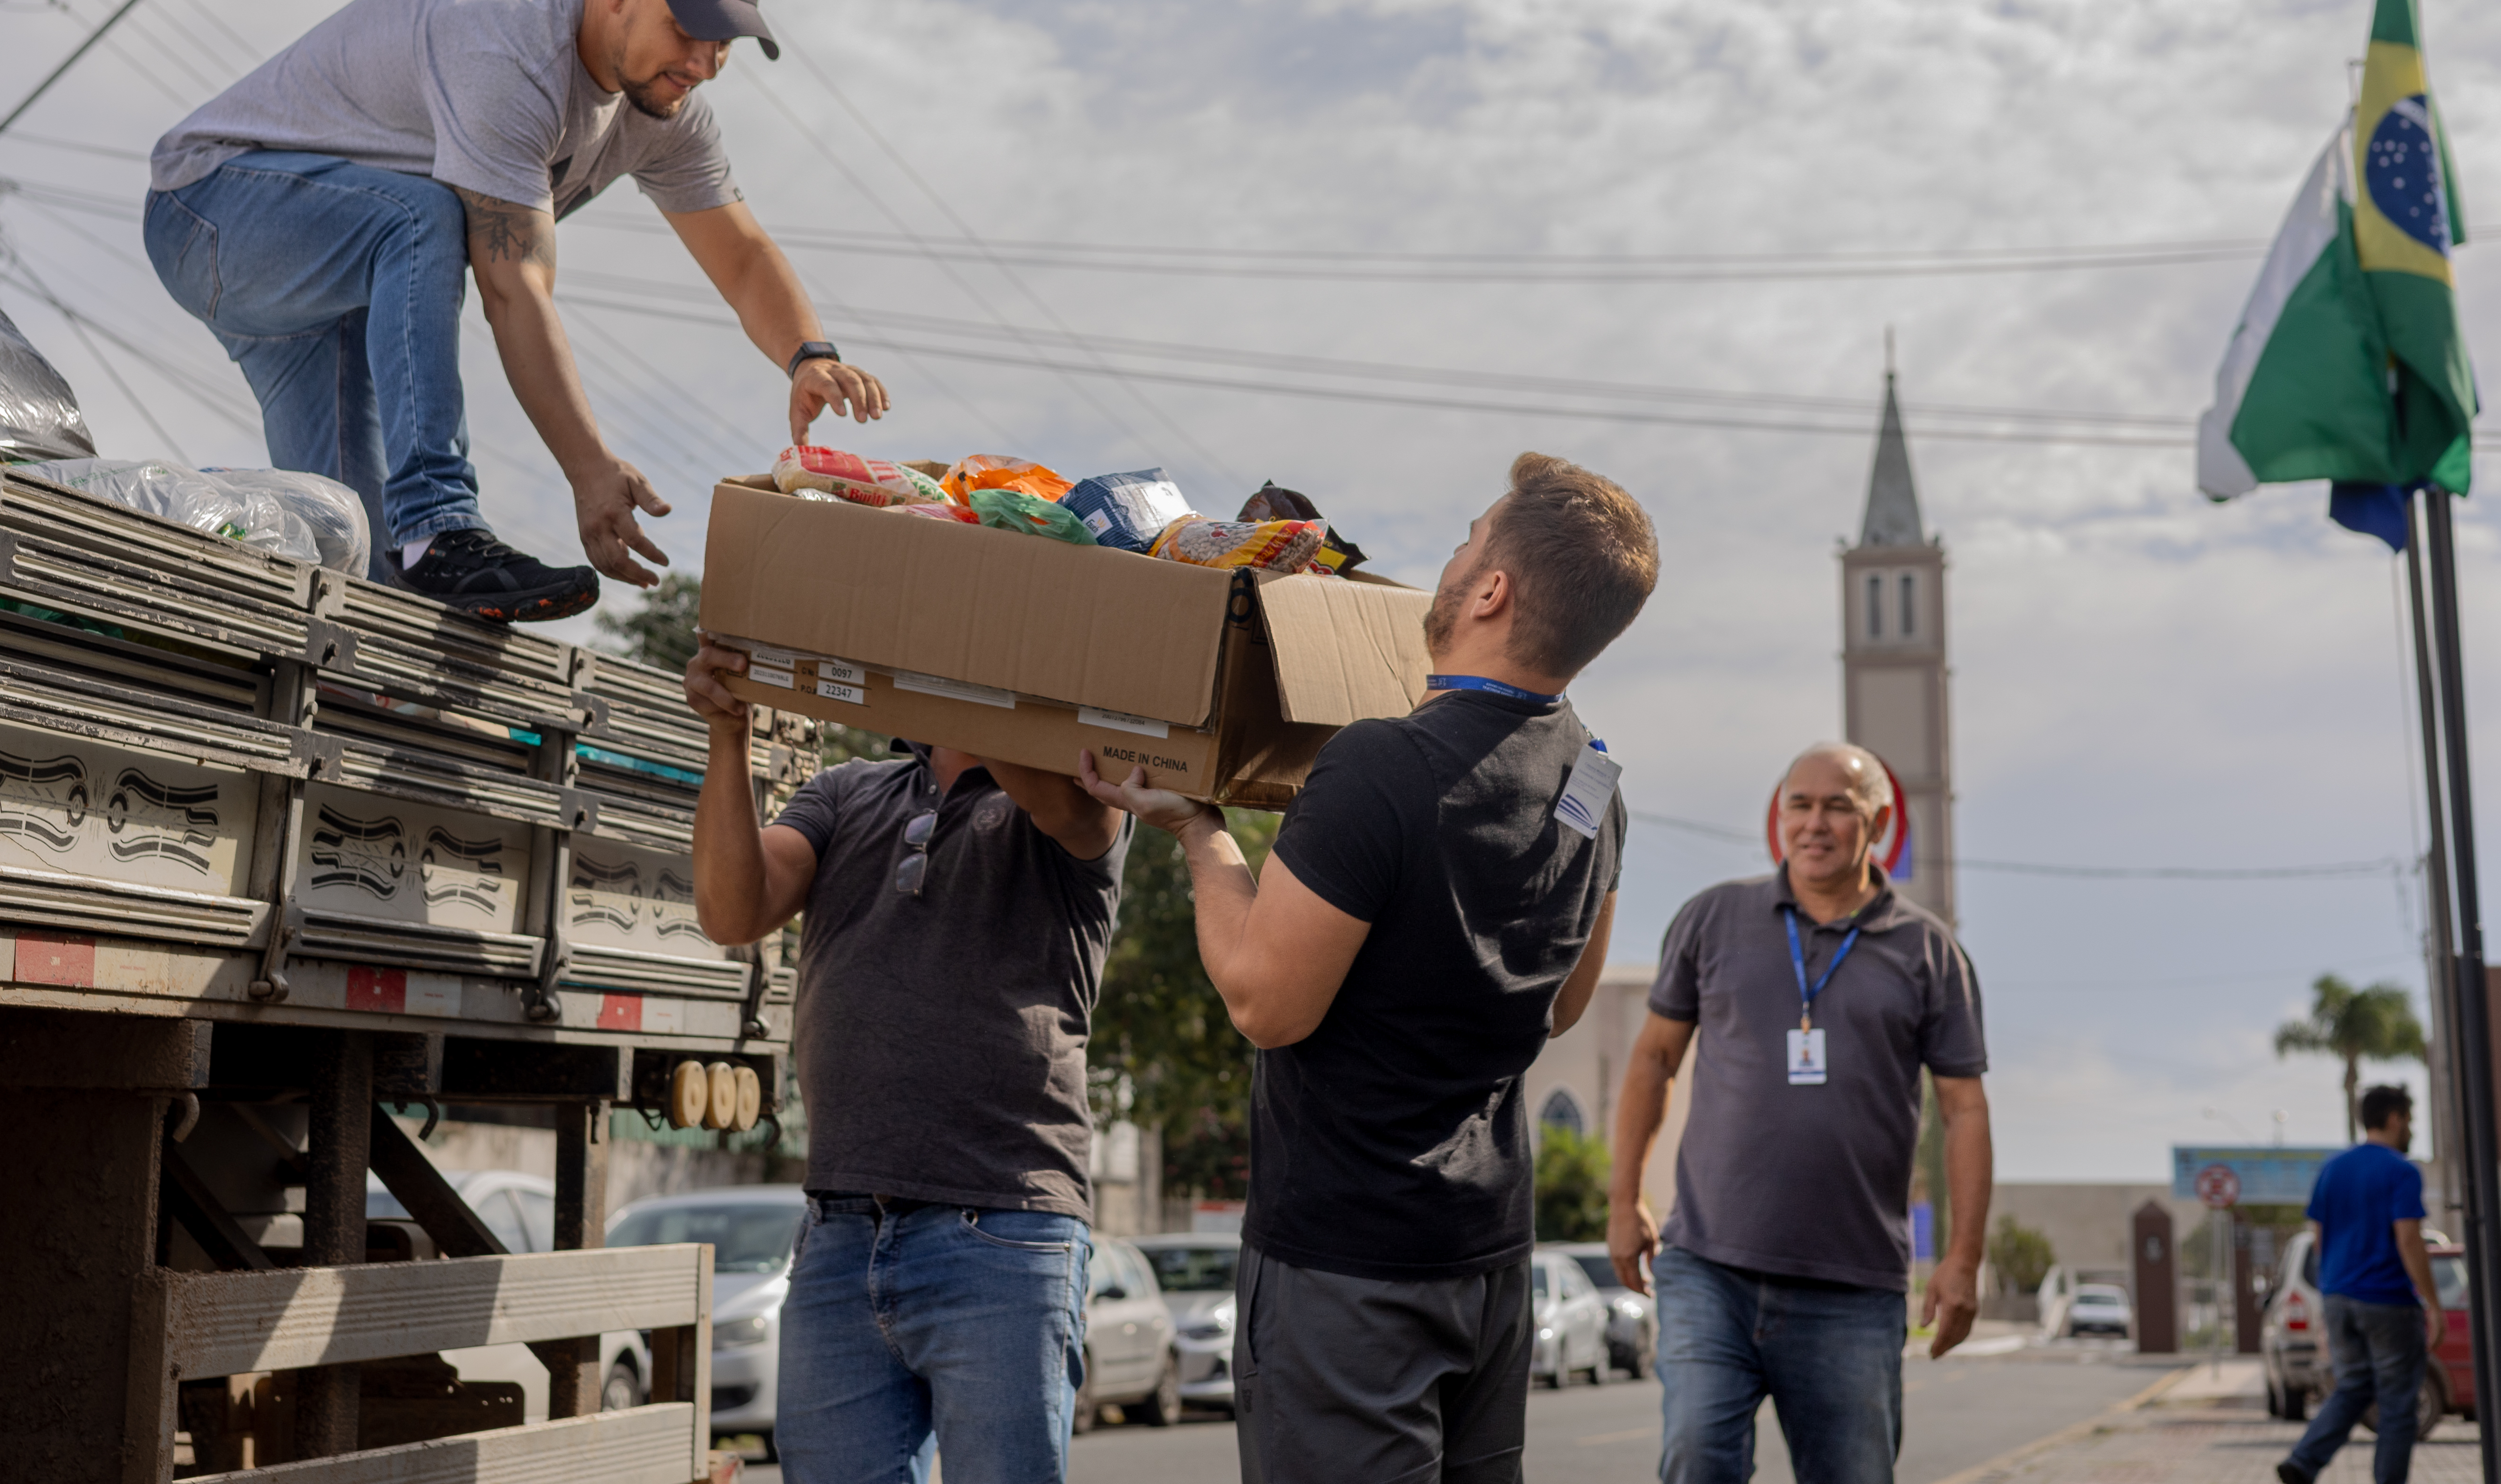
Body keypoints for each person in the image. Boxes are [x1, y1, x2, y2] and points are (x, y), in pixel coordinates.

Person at [1078, 451, 1662, 1483]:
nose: (1447, 559)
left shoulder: (1381, 763)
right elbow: (1565, 1004)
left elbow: (1263, 1001)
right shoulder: (1596, 784)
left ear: (1492, 590)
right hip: (1488, 1263)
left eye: (1465, 541)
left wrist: (1201, 836)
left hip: (1347, 1267)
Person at [146, 0, 888, 619]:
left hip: (322, 281)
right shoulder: (509, 52)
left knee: (361, 576)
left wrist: (807, 354)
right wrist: (591, 471)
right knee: (421, 218)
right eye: (687, 28)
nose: (704, 62)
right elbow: (515, 288)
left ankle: (377, 659)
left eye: (726, 39)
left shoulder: (665, 112)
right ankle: (440, 522)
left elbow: (743, 252)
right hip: (212, 208)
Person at [679, 636, 1129, 1484]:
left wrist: (955, 662)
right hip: (842, 1229)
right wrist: (727, 735)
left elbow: (1066, 804)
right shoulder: (846, 792)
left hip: (1003, 1225)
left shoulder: (1075, 793)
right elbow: (732, 911)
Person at [1607, 741, 1991, 1484]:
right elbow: (1654, 1058)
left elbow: (1965, 1108)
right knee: (1696, 1454)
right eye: (1799, 804)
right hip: (1708, 1267)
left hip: (1852, 1287)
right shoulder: (1713, 918)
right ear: (1778, 817)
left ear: (1877, 822)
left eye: (1838, 806)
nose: (1815, 823)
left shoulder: (1929, 952)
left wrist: (1963, 1257)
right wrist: (1624, 1200)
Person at [2278, 1083, 2443, 1484]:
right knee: (2398, 1403)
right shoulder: (2401, 1170)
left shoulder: (2332, 1169)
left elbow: (2319, 1238)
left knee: (2353, 1386)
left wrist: (2332, 1293)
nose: (2410, 1128)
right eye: (2408, 1118)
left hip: (2338, 1297)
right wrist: (2433, 1303)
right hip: (2387, 1299)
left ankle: (2303, 1460)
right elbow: (2408, 1238)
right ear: (2393, 1118)